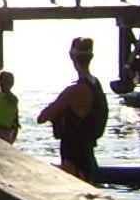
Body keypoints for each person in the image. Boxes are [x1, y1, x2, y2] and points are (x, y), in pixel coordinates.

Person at [39, 35, 109, 180]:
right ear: (92, 57)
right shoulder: (96, 84)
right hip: (88, 154)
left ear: (71, 57)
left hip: (73, 158)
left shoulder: (74, 91)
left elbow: (42, 117)